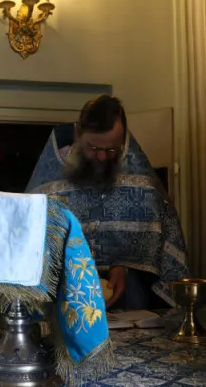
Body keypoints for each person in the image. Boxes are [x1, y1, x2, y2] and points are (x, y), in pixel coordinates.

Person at [26, 95, 189, 309]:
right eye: (93, 148)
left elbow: (159, 244)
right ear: (78, 134)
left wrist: (124, 265)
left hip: (125, 294)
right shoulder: (49, 183)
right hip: (65, 291)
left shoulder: (143, 184)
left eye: (112, 149)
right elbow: (34, 243)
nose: (102, 157)